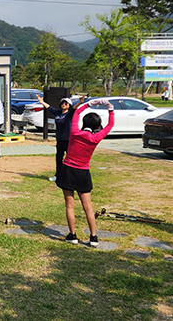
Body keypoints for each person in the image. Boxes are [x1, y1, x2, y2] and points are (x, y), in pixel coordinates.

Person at [57, 98, 115, 247]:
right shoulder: (96, 138)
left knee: (70, 206)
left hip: (68, 170)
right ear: (97, 125)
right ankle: (93, 237)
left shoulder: (75, 132)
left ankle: (72, 235)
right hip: (83, 172)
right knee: (88, 207)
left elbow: (76, 112)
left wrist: (90, 103)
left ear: (84, 123)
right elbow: (111, 125)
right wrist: (110, 108)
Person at [36, 94, 82, 181]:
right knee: (59, 158)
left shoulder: (70, 114)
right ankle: (58, 176)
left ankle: (72, 176)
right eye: (62, 103)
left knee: (70, 159)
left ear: (69, 105)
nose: (64, 104)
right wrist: (41, 101)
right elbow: (49, 107)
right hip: (60, 139)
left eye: (66, 103)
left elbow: (75, 108)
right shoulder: (58, 113)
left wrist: (80, 102)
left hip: (68, 140)